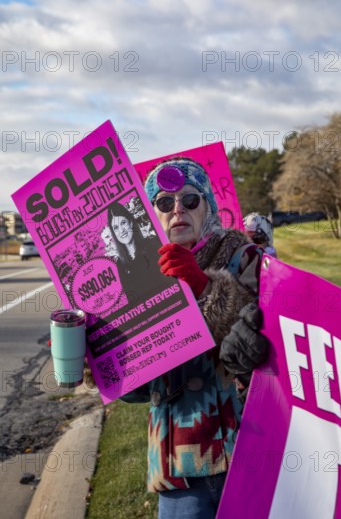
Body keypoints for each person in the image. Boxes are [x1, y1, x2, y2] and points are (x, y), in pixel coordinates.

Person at [121, 157, 269, 519]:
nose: (177, 210)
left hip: (248, 450)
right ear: (152, 214)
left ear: (208, 205)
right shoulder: (136, 277)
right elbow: (136, 390)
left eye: (190, 200)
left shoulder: (244, 255)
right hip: (178, 466)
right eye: (163, 202)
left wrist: (205, 288)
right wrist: (99, 354)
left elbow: (266, 347)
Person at [107, 200, 169, 304]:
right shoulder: (120, 265)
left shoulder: (153, 246)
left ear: (130, 223)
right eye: (116, 228)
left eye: (123, 223)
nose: (121, 231)